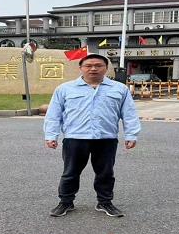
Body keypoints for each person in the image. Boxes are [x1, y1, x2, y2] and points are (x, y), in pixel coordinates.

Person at [44, 54, 141, 218]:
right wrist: (51, 135)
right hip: (75, 138)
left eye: (98, 65)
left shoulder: (119, 89)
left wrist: (131, 135)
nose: (93, 69)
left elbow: (129, 114)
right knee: (70, 173)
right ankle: (66, 202)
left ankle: (105, 202)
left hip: (106, 138)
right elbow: (54, 114)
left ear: (106, 68)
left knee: (105, 173)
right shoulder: (65, 89)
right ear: (80, 68)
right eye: (88, 66)